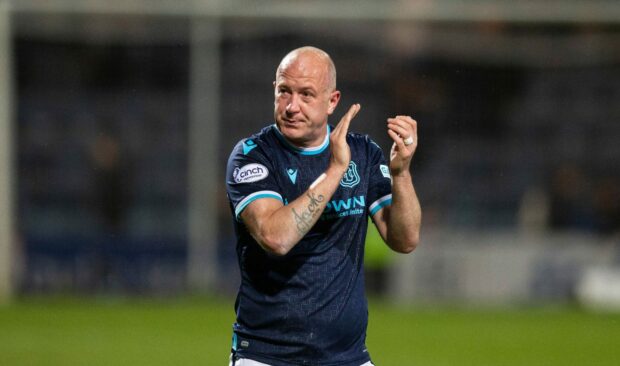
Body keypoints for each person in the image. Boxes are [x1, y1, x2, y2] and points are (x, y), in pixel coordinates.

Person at [225, 46, 422, 366]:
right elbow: (276, 238)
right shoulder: (253, 155)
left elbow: (405, 239)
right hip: (267, 355)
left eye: (306, 94)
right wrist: (334, 171)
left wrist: (401, 174)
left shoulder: (363, 153)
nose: (291, 106)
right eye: (284, 92)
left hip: (348, 357)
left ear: (332, 101)